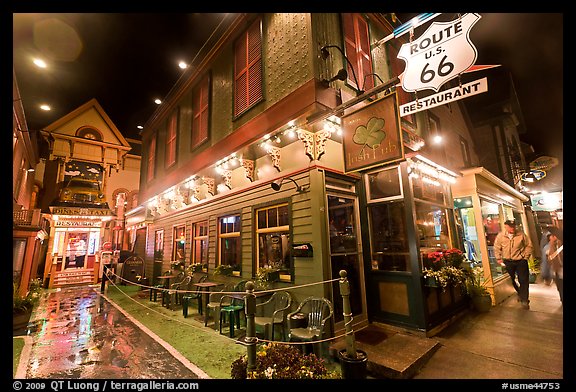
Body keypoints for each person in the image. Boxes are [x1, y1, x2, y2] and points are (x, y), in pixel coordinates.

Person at [494, 219, 534, 309]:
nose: (512, 228)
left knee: (523, 280)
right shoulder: (501, 236)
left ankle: (524, 300)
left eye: (513, 226)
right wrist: (499, 259)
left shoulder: (521, 235)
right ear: (506, 226)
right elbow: (497, 247)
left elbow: (529, 245)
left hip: (520, 261)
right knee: (510, 280)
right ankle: (520, 293)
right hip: (508, 261)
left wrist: (525, 257)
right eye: (510, 226)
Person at [546, 228, 563, 305]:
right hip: (557, 270)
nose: (550, 238)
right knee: (560, 286)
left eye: (551, 236)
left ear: (555, 236)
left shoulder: (560, 245)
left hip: (561, 268)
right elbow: (549, 258)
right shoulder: (551, 246)